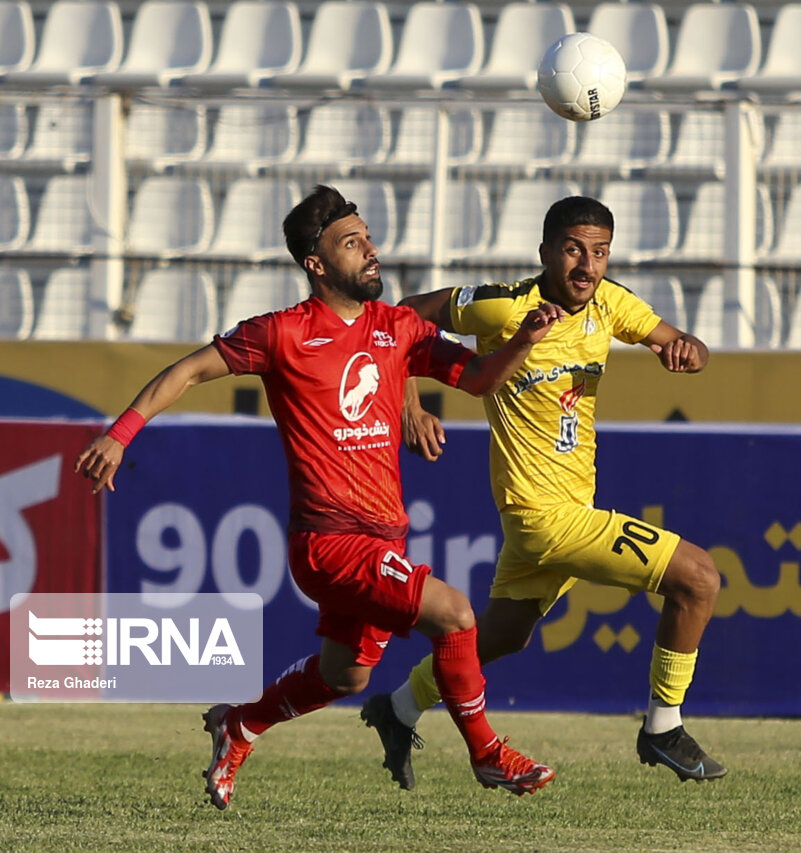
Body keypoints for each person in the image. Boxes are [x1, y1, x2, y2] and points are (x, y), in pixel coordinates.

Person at [74, 186, 565, 809]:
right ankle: (489, 754)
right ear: (317, 263)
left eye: (368, 238)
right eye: (352, 243)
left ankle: (240, 725)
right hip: (329, 542)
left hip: (383, 536)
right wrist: (120, 436)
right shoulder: (281, 334)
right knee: (457, 615)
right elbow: (190, 371)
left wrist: (522, 340)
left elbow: (475, 378)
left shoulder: (399, 327)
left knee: (345, 676)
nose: (371, 251)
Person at [360, 195, 726, 788]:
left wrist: (687, 349)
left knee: (498, 639)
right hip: (542, 518)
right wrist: (409, 404)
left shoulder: (609, 304)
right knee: (699, 577)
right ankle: (663, 726)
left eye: (600, 252)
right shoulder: (505, 307)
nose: (588, 265)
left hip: (557, 514)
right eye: (574, 250)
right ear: (546, 253)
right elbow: (399, 317)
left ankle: (397, 709)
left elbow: (681, 341)